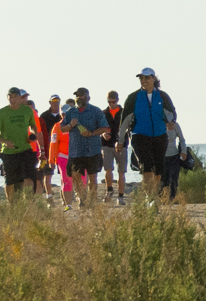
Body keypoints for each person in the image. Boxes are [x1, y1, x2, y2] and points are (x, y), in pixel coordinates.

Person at [122, 69, 178, 203]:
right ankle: (149, 198)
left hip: (159, 135)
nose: (144, 80)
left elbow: (172, 113)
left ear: (154, 78)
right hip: (139, 135)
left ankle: (155, 196)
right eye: (141, 78)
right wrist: (120, 141)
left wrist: (171, 123)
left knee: (158, 170)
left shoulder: (162, 96)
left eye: (146, 78)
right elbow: (124, 120)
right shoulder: (133, 97)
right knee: (146, 166)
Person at [59, 88, 109, 207]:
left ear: (88, 97)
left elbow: (104, 128)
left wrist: (91, 133)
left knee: (92, 176)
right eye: (77, 96)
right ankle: (82, 197)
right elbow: (62, 128)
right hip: (76, 150)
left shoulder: (95, 111)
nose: (79, 98)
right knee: (75, 175)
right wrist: (70, 125)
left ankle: (92, 200)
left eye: (81, 95)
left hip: (93, 149)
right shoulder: (71, 112)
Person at [2, 87, 39, 201]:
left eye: (15, 97)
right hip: (9, 152)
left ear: (19, 98)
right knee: (10, 182)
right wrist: (5, 142)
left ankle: (28, 204)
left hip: (25, 148)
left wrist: (33, 134)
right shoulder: (2, 113)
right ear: (7, 98)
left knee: (28, 178)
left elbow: (33, 125)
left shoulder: (27, 111)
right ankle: (12, 206)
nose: (12, 99)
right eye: (10, 97)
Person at [102, 91, 126, 202]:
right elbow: (99, 128)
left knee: (121, 171)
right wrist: (103, 134)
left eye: (113, 101)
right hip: (106, 144)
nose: (111, 104)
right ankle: (109, 189)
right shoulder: (103, 113)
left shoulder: (123, 113)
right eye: (109, 102)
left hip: (122, 145)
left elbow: (128, 128)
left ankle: (120, 196)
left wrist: (121, 140)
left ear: (117, 100)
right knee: (108, 168)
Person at [38, 95, 61, 201]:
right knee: (47, 173)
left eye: (57, 101)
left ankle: (64, 192)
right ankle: (49, 195)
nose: (56, 103)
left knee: (64, 173)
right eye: (54, 101)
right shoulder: (44, 116)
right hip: (48, 147)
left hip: (62, 147)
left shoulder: (63, 116)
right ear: (50, 102)